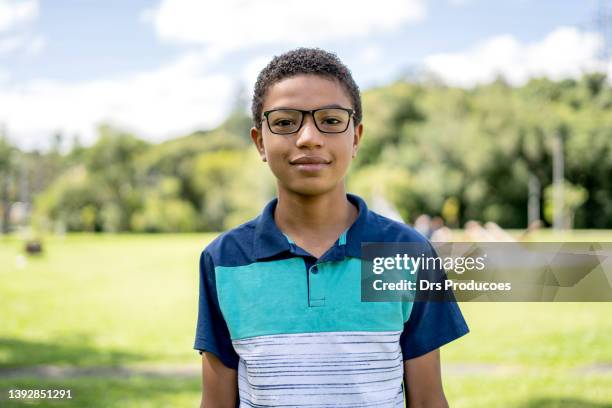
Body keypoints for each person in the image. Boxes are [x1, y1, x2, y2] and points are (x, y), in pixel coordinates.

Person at [194, 48, 469, 407]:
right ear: (260, 141)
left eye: (331, 120)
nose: (309, 137)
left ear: (355, 137)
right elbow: (216, 403)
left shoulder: (408, 252)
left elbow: (429, 400)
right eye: (284, 122)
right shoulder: (224, 260)